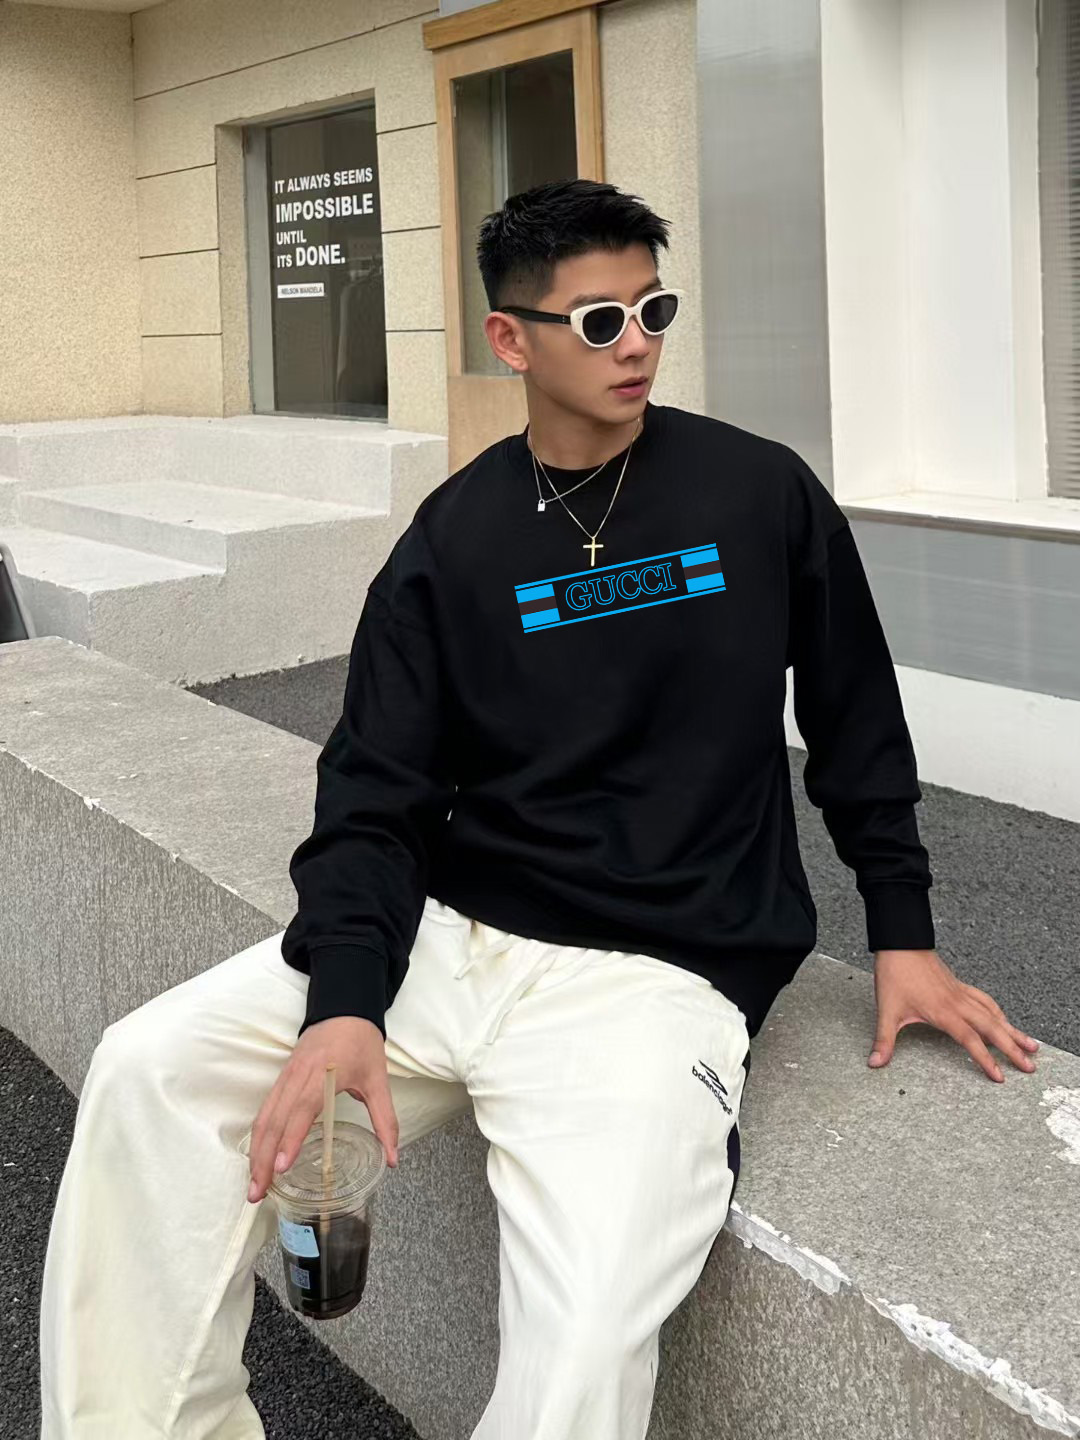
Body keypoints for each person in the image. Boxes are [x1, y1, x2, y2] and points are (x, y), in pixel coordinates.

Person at [39, 178, 1040, 1440]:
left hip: (656, 973)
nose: (637, 345)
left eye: (653, 311)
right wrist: (345, 999)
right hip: (448, 938)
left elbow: (856, 714)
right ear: (510, 339)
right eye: (600, 320)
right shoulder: (454, 539)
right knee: (150, 1071)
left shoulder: (758, 493)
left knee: (582, 1336)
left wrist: (904, 932)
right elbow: (375, 787)